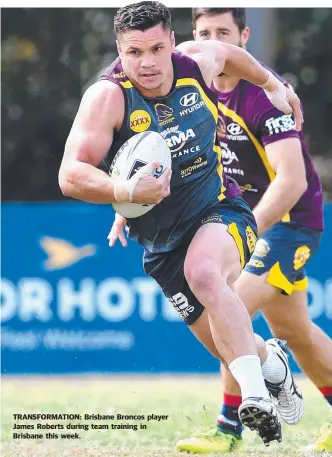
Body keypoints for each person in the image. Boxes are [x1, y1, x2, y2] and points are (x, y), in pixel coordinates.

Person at [59, 1, 304, 446]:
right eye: (134, 53)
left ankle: (256, 400)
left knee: (205, 274)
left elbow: (232, 56)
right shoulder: (108, 98)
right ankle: (272, 364)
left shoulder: (196, 62)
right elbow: (71, 174)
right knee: (226, 345)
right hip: (161, 240)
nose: (147, 63)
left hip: (222, 208)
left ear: (172, 41)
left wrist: (272, 85)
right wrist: (124, 193)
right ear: (119, 48)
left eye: (156, 48)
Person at [170, 8, 332, 454]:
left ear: (243, 36)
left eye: (224, 32)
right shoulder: (192, 90)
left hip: (289, 224)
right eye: (204, 33)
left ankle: (227, 431)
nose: (214, 41)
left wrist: (245, 231)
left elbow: (292, 180)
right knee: (296, 332)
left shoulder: (263, 96)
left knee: (230, 305)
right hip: (252, 223)